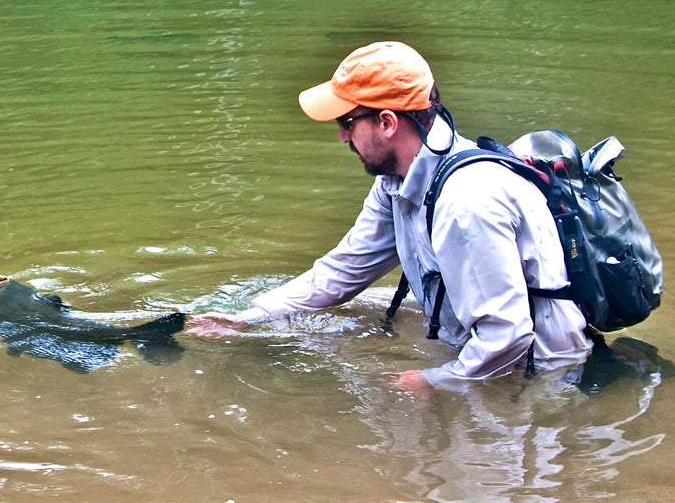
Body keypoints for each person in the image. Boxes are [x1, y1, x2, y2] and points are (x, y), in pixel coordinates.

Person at [185, 41, 592, 397]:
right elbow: (344, 268)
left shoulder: (466, 202)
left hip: (540, 376)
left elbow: (507, 336)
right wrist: (246, 320)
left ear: (387, 123)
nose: (342, 136)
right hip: (477, 346)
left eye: (347, 122)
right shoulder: (396, 182)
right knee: (342, 314)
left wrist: (434, 381)